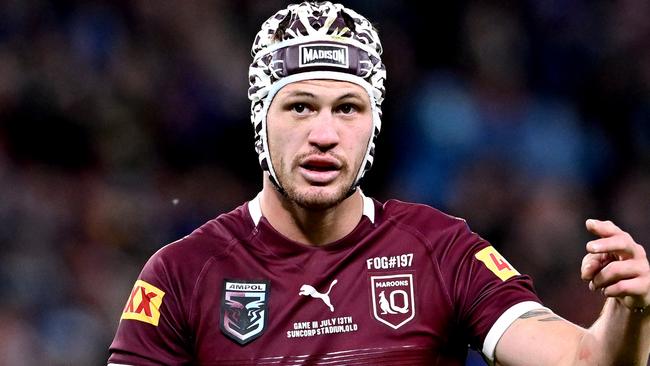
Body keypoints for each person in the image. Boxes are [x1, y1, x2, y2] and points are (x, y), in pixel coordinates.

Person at [108, 2, 650, 365]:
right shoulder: (182, 274)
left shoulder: (439, 249)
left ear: (375, 124)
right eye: (299, 107)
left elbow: (587, 360)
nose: (324, 134)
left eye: (348, 108)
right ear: (259, 120)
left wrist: (631, 310)